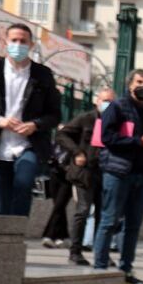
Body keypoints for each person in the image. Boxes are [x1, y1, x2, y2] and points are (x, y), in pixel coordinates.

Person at [93, 69, 143, 284]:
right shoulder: (117, 108)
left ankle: (126, 269)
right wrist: (139, 142)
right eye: (139, 82)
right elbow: (106, 137)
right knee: (109, 220)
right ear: (129, 85)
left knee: (133, 225)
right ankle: (99, 269)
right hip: (118, 172)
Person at [0, 22, 61, 218]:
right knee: (0, 204)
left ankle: (17, 235)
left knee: (24, 185)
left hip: (28, 146)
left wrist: (35, 125)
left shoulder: (43, 75)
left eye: (23, 41)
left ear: (31, 45)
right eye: (14, 40)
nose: (18, 45)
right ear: (5, 42)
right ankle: (2, 245)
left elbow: (55, 114)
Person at [55, 87, 113, 266]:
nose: (107, 104)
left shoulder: (115, 121)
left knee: (104, 215)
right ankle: (75, 251)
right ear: (97, 101)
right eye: (104, 100)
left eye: (111, 101)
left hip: (105, 171)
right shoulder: (86, 118)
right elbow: (62, 134)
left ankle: (101, 253)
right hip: (85, 172)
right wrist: (77, 152)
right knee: (83, 210)